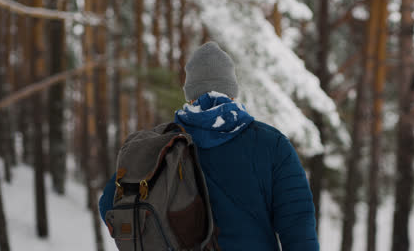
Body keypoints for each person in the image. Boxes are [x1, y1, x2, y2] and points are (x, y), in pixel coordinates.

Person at [99, 42, 319, 251]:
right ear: (232, 92)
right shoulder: (272, 144)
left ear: (190, 94)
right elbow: (299, 228)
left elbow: (109, 205)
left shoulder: (159, 146)